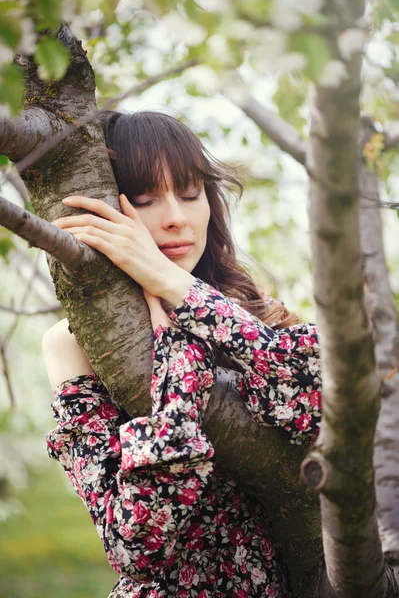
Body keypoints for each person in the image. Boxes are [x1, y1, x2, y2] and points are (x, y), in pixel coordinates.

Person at [42, 111, 322, 598]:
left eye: (191, 194)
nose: (175, 216)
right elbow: (133, 547)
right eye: (146, 199)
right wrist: (179, 373)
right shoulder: (69, 344)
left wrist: (178, 288)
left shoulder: (251, 313)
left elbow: (319, 404)